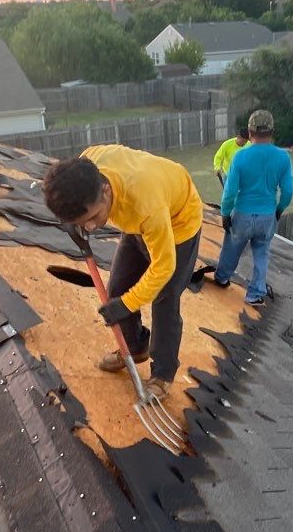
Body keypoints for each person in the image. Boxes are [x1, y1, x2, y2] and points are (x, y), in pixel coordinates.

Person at [42, 144, 203, 398]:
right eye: (83, 222)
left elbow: (164, 266)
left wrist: (128, 304)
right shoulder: (87, 164)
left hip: (178, 221)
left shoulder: (144, 203)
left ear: (106, 190)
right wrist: (74, 223)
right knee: (116, 289)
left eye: (94, 216)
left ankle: (163, 374)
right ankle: (136, 347)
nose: (91, 227)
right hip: (139, 219)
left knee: (165, 298)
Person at [214, 109, 293, 306]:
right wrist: (279, 210)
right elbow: (288, 191)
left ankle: (222, 277)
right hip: (267, 215)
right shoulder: (283, 158)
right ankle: (256, 293)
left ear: (250, 133)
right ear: (272, 132)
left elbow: (230, 192)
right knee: (262, 252)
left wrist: (225, 214)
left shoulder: (240, 157)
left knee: (232, 247)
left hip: (243, 214)